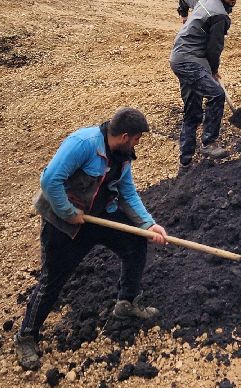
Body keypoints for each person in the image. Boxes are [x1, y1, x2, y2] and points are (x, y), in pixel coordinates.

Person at [15, 108, 168, 371]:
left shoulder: (122, 156)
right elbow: (50, 180)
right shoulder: (83, 144)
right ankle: (26, 336)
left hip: (99, 216)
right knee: (53, 279)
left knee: (135, 243)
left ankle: (126, 303)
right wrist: (68, 213)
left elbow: (127, 192)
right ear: (124, 135)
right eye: (137, 138)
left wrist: (148, 224)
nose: (138, 143)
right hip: (64, 223)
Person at [170, 0, 241, 166]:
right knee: (216, 94)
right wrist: (214, 70)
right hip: (189, 61)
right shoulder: (220, 16)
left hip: (179, 57)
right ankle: (209, 142)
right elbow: (214, 48)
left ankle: (185, 162)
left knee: (192, 110)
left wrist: (183, 16)